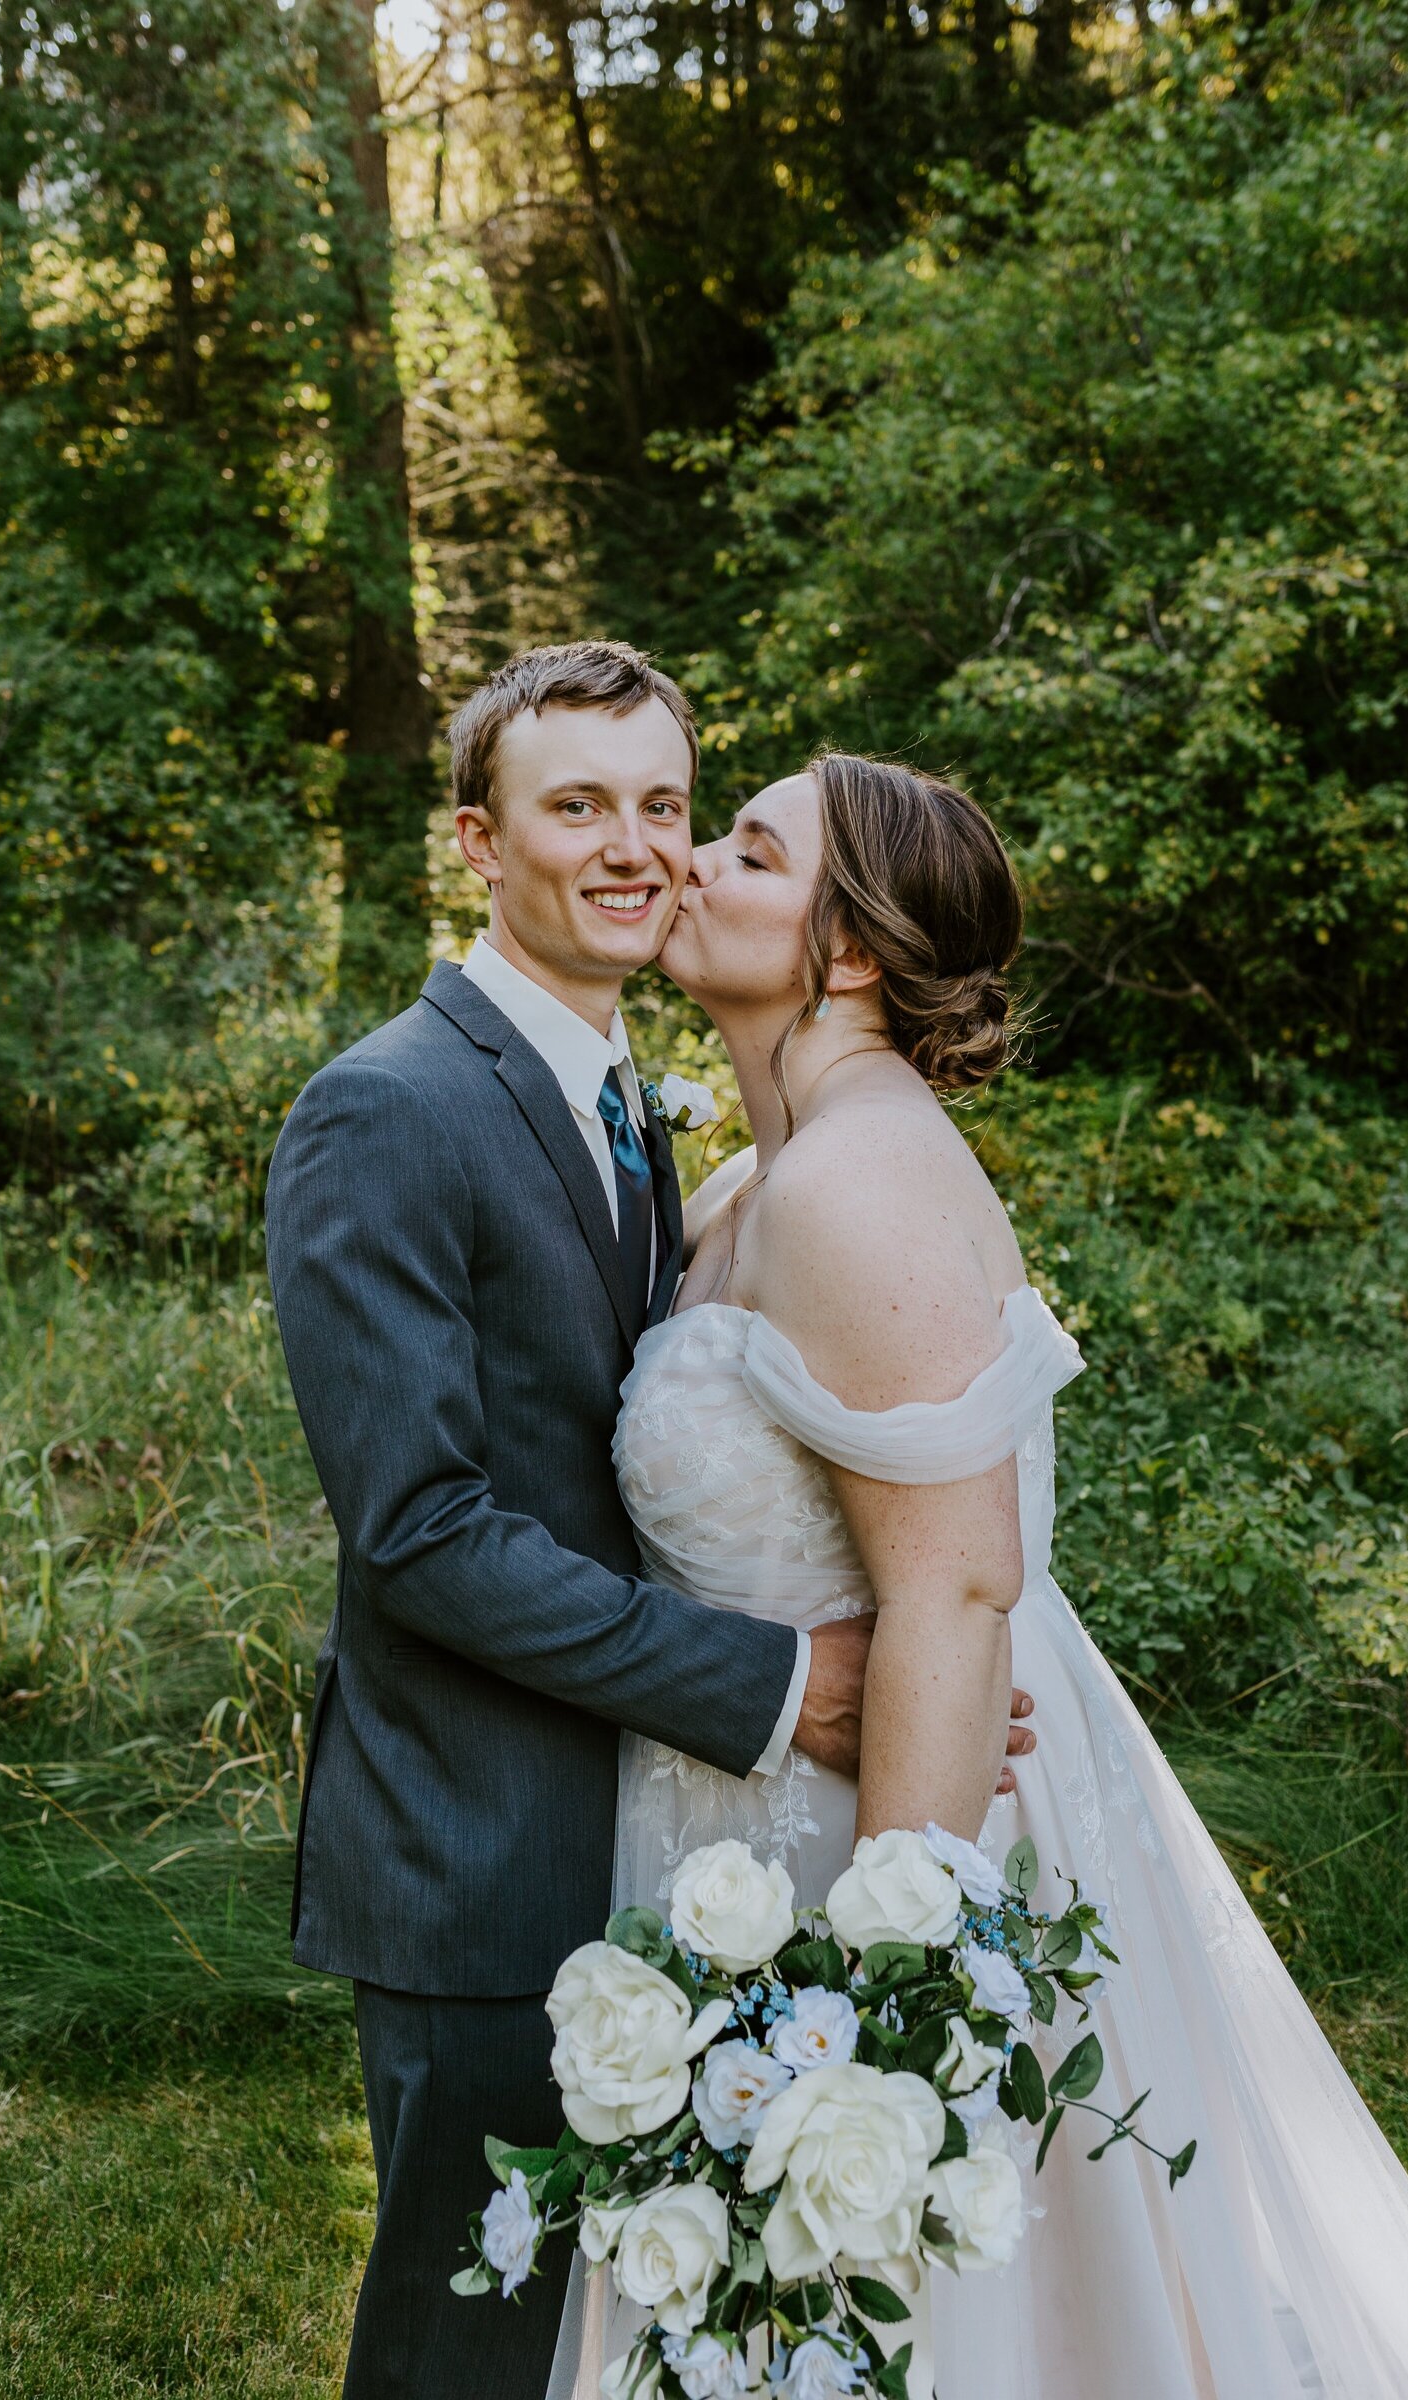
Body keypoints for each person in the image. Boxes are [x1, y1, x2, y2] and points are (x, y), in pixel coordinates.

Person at [553, 750, 1408, 2398]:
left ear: (847, 950)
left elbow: (956, 1588)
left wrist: (886, 2023)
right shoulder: (755, 1174)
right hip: (749, 1796)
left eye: (750, 850)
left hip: (897, 1821)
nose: (690, 861)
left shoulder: (858, 1181)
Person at [263, 647, 1033, 2400]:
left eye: (671, 809)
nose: (641, 850)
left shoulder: (654, 1116)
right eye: (578, 806)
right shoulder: (386, 1109)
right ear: (479, 838)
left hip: (665, 1848)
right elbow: (424, 1532)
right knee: (465, 2352)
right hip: (481, 1851)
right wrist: (781, 1688)